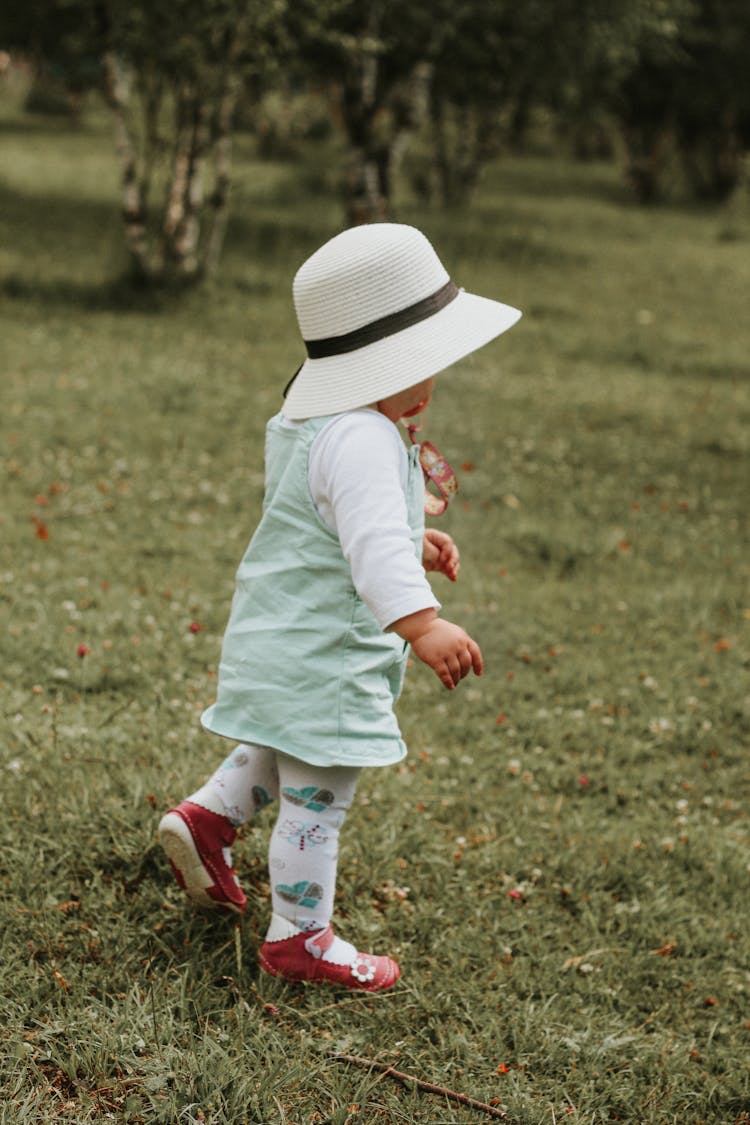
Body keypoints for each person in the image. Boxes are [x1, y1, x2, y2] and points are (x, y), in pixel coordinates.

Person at [158, 223, 521, 991]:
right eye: (424, 364)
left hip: (280, 634)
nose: (433, 383)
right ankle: (300, 935)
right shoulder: (361, 438)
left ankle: (208, 819)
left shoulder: (313, 420)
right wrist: (423, 623)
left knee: (286, 742)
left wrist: (413, 538)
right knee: (320, 791)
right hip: (326, 653)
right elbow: (368, 543)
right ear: (380, 363)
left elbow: (341, 526)